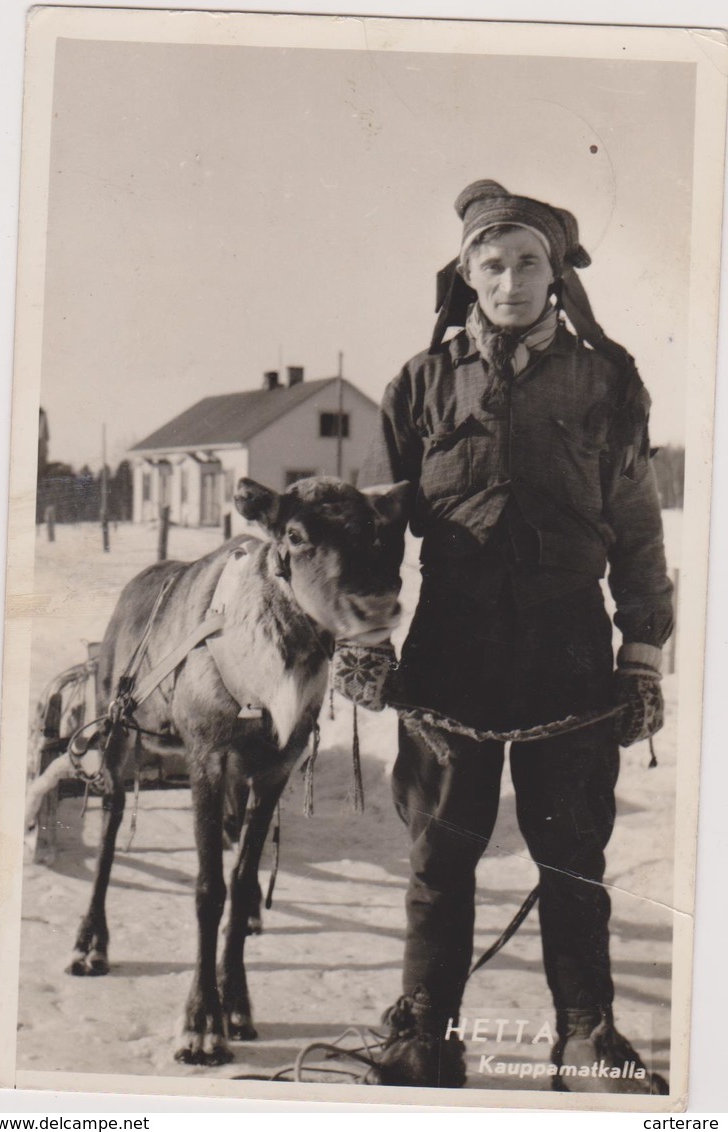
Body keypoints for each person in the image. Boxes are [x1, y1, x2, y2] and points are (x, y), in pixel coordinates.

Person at [353, 180, 673, 1093]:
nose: (510, 281)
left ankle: (585, 1037)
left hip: (568, 647)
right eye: (491, 265)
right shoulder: (417, 384)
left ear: (557, 272)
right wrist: (367, 638)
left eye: (528, 261)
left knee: (573, 850)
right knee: (439, 850)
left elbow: (639, 528)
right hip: (448, 649)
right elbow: (378, 529)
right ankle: (426, 1034)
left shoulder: (606, 379)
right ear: (466, 276)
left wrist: (641, 652)